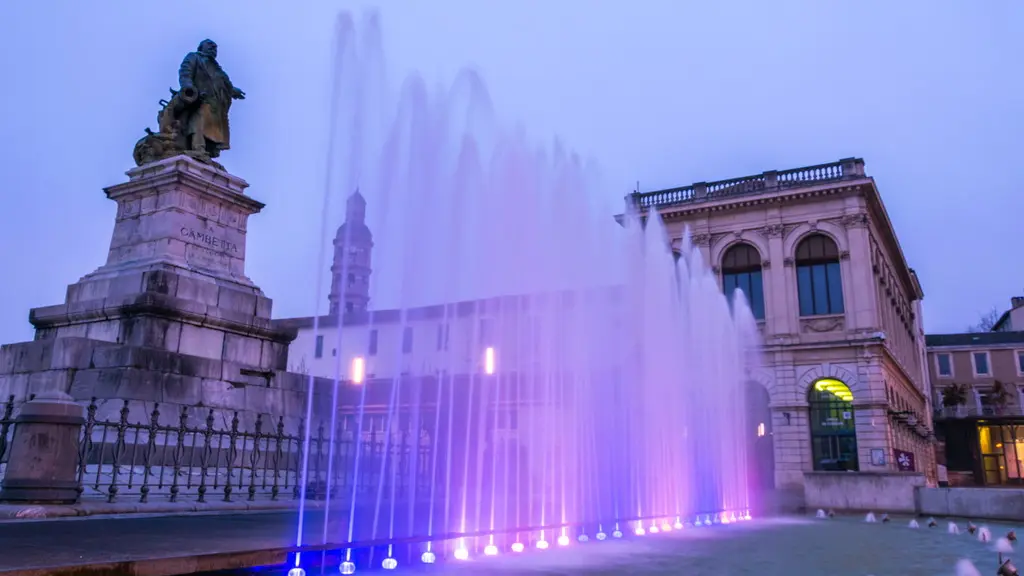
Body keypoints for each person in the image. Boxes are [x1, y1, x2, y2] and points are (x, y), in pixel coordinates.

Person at [177, 39, 246, 158]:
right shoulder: (194, 57)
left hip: (217, 104)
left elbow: (222, 83)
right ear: (200, 47)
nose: (213, 48)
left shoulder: (217, 68)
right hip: (201, 98)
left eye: (215, 47)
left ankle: (209, 150)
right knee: (198, 123)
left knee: (212, 128)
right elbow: (185, 72)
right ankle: (198, 148)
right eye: (209, 45)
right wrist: (188, 86)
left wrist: (233, 90)